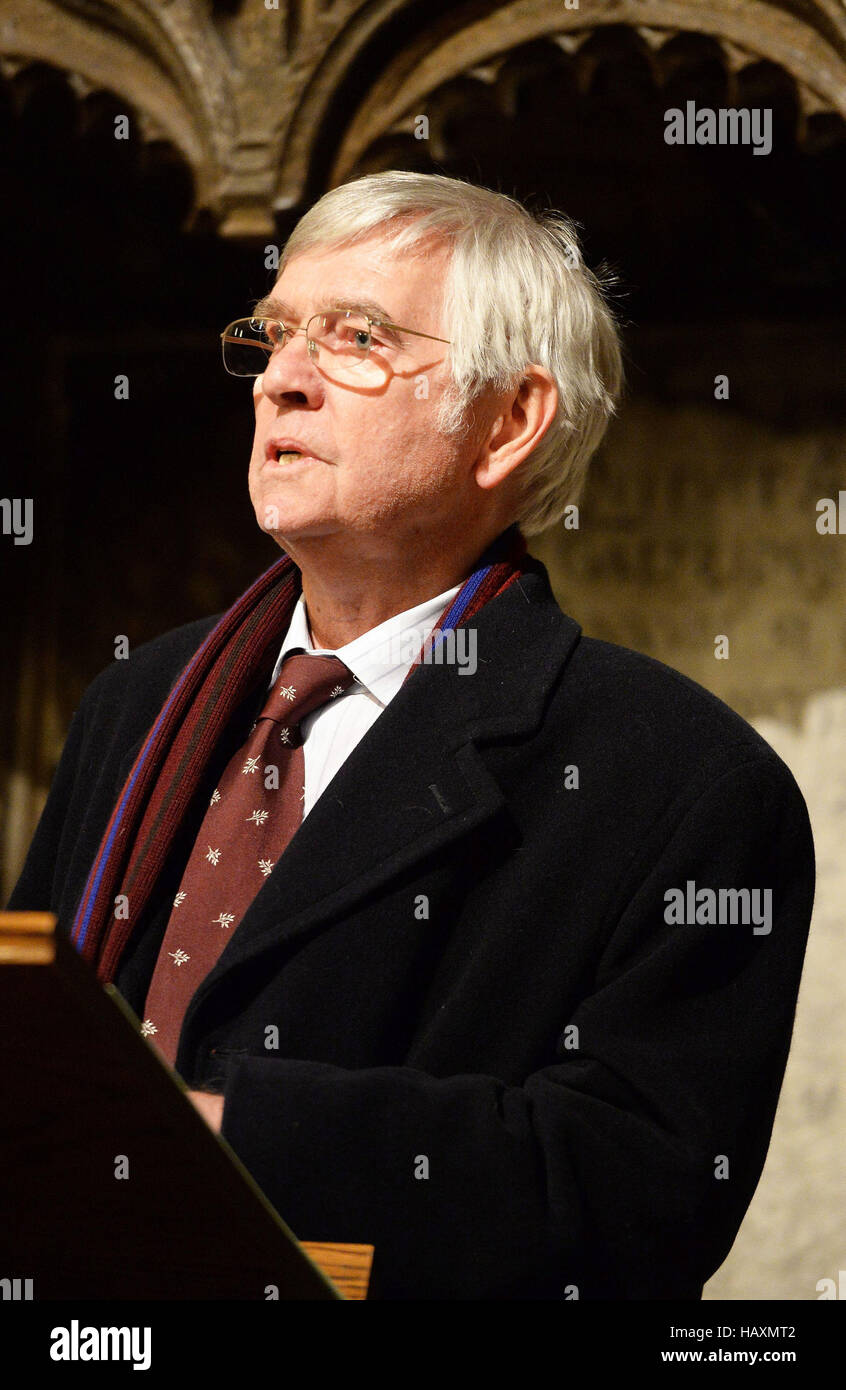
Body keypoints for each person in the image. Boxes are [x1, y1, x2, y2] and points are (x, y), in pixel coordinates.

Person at [8, 170, 815, 1300]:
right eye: (276, 334)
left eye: (355, 337)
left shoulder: (686, 781)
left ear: (508, 421)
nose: (281, 381)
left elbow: (637, 1192)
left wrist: (218, 1136)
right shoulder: (137, 704)